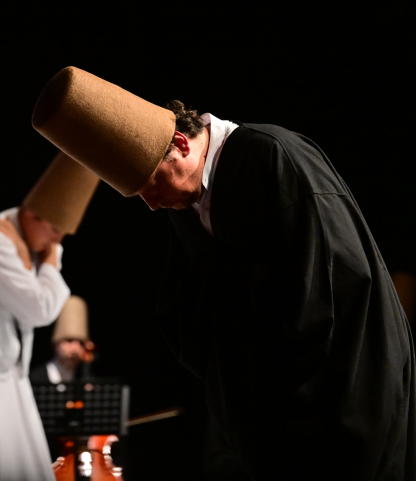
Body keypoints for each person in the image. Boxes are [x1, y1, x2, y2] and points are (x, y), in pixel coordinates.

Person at [31, 66, 416, 480]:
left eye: (152, 184)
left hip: (340, 397)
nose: (153, 204)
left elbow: (331, 293)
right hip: (265, 415)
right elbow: (187, 308)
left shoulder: (272, 157)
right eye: (140, 196)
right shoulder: (186, 195)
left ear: (181, 143)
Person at [0, 152, 99, 481]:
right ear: (30, 213)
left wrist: (49, 254)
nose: (56, 242)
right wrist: (51, 261)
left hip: (10, 375)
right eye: (53, 230)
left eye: (63, 235)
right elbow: (41, 310)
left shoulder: (34, 241)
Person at [30, 295, 93, 384]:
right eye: (69, 341)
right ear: (55, 344)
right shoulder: (35, 379)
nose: (76, 348)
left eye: (81, 343)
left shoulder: (86, 380)